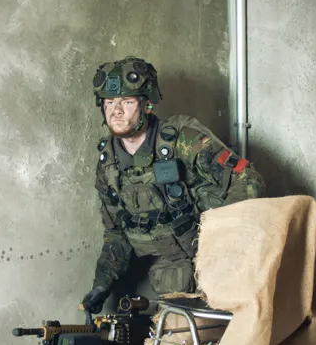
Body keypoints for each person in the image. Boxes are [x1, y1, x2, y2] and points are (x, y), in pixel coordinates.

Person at [81, 56, 265, 313]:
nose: (117, 111)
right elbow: (116, 233)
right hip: (170, 276)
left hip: (215, 260)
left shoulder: (182, 139)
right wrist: (101, 285)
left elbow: (247, 180)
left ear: (146, 105)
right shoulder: (108, 162)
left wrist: (223, 247)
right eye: (110, 102)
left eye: (127, 101)